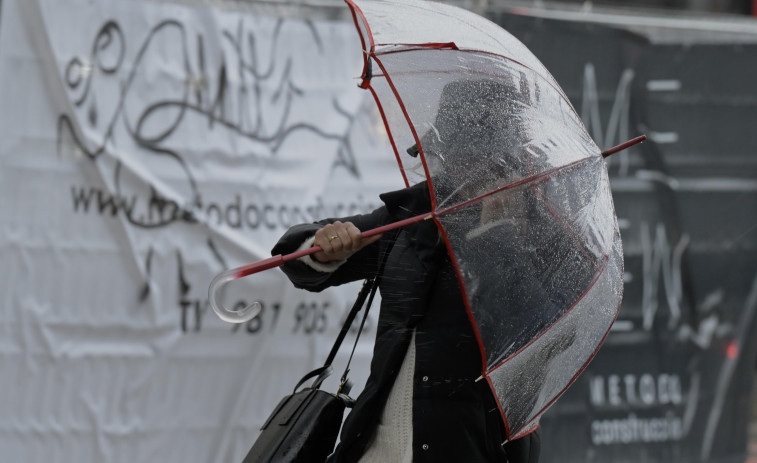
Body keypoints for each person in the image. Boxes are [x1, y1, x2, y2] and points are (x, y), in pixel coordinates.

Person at [271, 78, 544, 462]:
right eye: (449, 151)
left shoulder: (540, 231)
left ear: (504, 157)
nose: (457, 166)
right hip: (375, 446)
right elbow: (301, 264)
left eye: (475, 154)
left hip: (472, 447)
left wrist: (499, 238)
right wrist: (324, 247)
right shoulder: (415, 213)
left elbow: (534, 335)